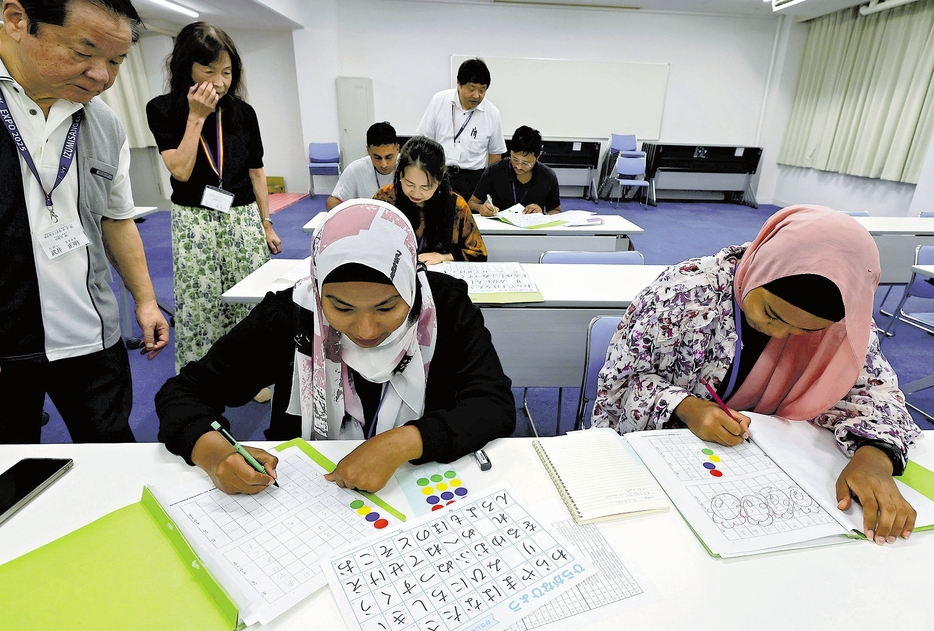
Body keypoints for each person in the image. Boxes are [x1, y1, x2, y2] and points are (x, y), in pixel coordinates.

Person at [593, 205, 922, 545]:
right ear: (761, 267)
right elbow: (621, 386)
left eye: (805, 331)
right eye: (771, 313)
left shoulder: (845, 328)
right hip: (673, 474)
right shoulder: (684, 294)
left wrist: (875, 460)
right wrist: (687, 407)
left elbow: (876, 394)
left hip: (764, 480)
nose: (779, 335)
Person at [155, 199, 516, 494]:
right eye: (341, 308)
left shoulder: (445, 310)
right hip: (305, 494)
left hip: (420, 489)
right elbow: (184, 392)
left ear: (410, 286)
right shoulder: (292, 316)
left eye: (387, 307)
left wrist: (405, 442)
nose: (365, 329)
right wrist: (213, 452)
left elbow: (493, 404)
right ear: (317, 289)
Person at [0, 0, 170, 443]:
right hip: (7, 344)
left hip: (91, 334)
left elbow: (117, 218)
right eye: (82, 52)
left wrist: (146, 300)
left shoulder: (103, 123)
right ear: (18, 21)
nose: (102, 76)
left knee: (113, 454)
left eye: (116, 60)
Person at [146, 22, 281, 374]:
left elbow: (256, 172)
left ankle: (253, 372)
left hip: (242, 217)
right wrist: (196, 117)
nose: (220, 82)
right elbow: (180, 170)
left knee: (251, 297)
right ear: (186, 67)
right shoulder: (161, 109)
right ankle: (204, 377)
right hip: (194, 222)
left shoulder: (243, 112)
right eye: (209, 70)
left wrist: (266, 223)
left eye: (227, 71)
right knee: (201, 301)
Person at [373, 136, 487, 265]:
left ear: (439, 181)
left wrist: (444, 257)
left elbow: (479, 254)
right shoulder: (385, 198)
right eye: (409, 184)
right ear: (400, 174)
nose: (416, 193)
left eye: (425, 187)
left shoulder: (456, 206)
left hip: (438, 276)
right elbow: (368, 243)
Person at [416, 58, 506, 201]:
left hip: (473, 182)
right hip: (439, 176)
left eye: (482, 90)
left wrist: (487, 190)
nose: (477, 95)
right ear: (458, 83)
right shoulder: (439, 101)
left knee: (469, 221)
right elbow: (423, 140)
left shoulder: (492, 113)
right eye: (471, 89)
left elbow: (495, 154)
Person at [469, 125, 562, 216]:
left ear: (538, 157)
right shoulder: (495, 171)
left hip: (532, 229)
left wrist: (542, 214)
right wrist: (481, 208)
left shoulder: (547, 176)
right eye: (515, 159)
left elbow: (556, 211)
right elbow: (472, 203)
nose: (519, 166)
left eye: (526, 163)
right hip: (500, 227)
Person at [326, 121, 399, 211]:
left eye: (389, 157)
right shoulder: (356, 169)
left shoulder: (408, 167)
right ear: (368, 150)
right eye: (377, 158)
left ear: (397, 149)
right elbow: (332, 202)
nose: (383, 164)